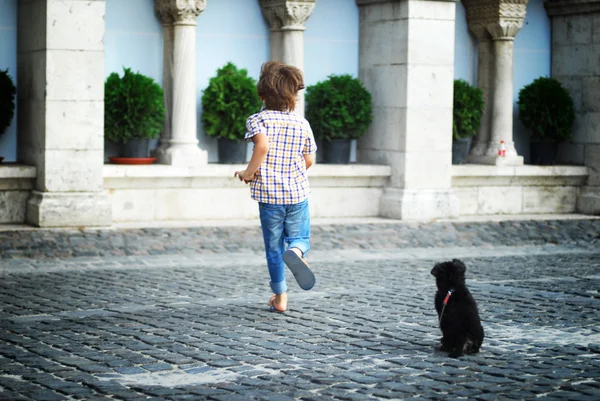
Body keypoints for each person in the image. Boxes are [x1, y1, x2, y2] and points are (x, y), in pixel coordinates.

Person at [234, 61, 317, 313]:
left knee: (273, 247)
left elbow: (262, 147)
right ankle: (296, 251)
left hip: (270, 197)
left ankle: (280, 298)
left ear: (262, 95)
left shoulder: (257, 120)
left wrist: (248, 172)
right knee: (300, 238)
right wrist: (290, 172)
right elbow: (309, 159)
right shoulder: (302, 123)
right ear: (293, 97)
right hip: (297, 194)